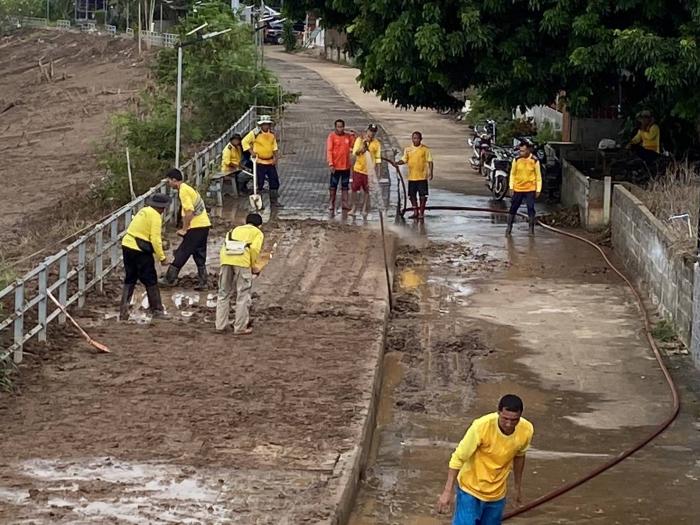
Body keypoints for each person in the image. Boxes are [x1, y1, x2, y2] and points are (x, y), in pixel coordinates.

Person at [437, 395, 534, 525]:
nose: (509, 424)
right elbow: (458, 458)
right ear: (498, 412)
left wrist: (517, 488)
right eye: (505, 418)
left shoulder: (526, 430)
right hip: (470, 489)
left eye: (514, 420)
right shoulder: (481, 427)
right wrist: (447, 492)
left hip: (497, 493)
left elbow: (519, 457)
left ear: (520, 416)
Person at [120, 193, 171, 320]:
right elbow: (155, 239)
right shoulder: (155, 216)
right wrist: (162, 257)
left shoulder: (143, 211)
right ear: (162, 208)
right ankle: (157, 309)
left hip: (127, 244)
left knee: (130, 277)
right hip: (139, 249)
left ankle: (123, 310)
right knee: (150, 278)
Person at [160, 168, 212, 290]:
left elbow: (189, 211)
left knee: (182, 252)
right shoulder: (188, 189)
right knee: (199, 253)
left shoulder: (183, 191)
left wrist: (184, 229)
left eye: (169, 181)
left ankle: (170, 279)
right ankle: (203, 282)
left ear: (174, 180)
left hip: (196, 226)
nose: (168, 184)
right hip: (204, 225)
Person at [215, 213, 264, 335]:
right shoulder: (257, 233)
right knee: (242, 295)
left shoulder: (234, 230)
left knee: (223, 293)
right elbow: (254, 249)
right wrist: (253, 266)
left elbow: (224, 245)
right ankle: (240, 327)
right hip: (242, 261)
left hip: (226, 259)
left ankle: (220, 325)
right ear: (260, 225)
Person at [242, 115, 284, 207]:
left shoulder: (272, 134)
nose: (266, 126)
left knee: (274, 180)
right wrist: (251, 152)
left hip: (270, 161)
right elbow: (244, 142)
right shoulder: (255, 133)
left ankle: (274, 201)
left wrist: (275, 158)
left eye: (267, 124)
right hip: (259, 161)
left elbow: (274, 147)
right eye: (264, 124)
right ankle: (259, 203)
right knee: (259, 182)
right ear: (261, 125)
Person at [506, 143, 542, 237]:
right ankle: (509, 228)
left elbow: (538, 176)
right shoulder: (516, 159)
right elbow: (512, 174)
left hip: (530, 188)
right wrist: (511, 187)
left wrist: (538, 189)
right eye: (520, 150)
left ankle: (531, 229)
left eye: (523, 150)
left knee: (530, 207)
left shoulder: (534, 160)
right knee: (513, 207)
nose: (521, 152)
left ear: (528, 150)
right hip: (518, 188)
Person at [397, 131, 434, 219]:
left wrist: (431, 172)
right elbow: (404, 160)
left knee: (422, 196)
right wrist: (397, 163)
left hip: (422, 177)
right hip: (412, 177)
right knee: (412, 196)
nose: (416, 140)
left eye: (417, 138)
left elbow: (430, 161)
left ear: (421, 139)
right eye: (414, 138)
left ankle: (421, 213)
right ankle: (415, 212)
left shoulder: (425, 149)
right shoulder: (408, 149)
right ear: (412, 139)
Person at [350, 124, 382, 218]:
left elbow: (378, 158)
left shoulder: (377, 143)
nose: (371, 133)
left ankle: (364, 208)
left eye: (373, 132)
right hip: (358, 169)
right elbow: (355, 153)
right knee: (355, 189)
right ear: (367, 131)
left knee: (367, 191)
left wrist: (378, 172)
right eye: (370, 131)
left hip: (369, 171)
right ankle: (354, 207)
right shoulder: (360, 140)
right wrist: (363, 146)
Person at [326, 119, 356, 214]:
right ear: (335, 127)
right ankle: (331, 202)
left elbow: (354, 145)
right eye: (338, 127)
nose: (340, 129)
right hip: (335, 166)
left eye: (341, 127)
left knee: (345, 186)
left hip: (346, 166)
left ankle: (345, 203)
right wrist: (331, 163)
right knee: (333, 186)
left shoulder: (347, 136)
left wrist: (354, 135)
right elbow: (329, 151)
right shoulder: (331, 137)